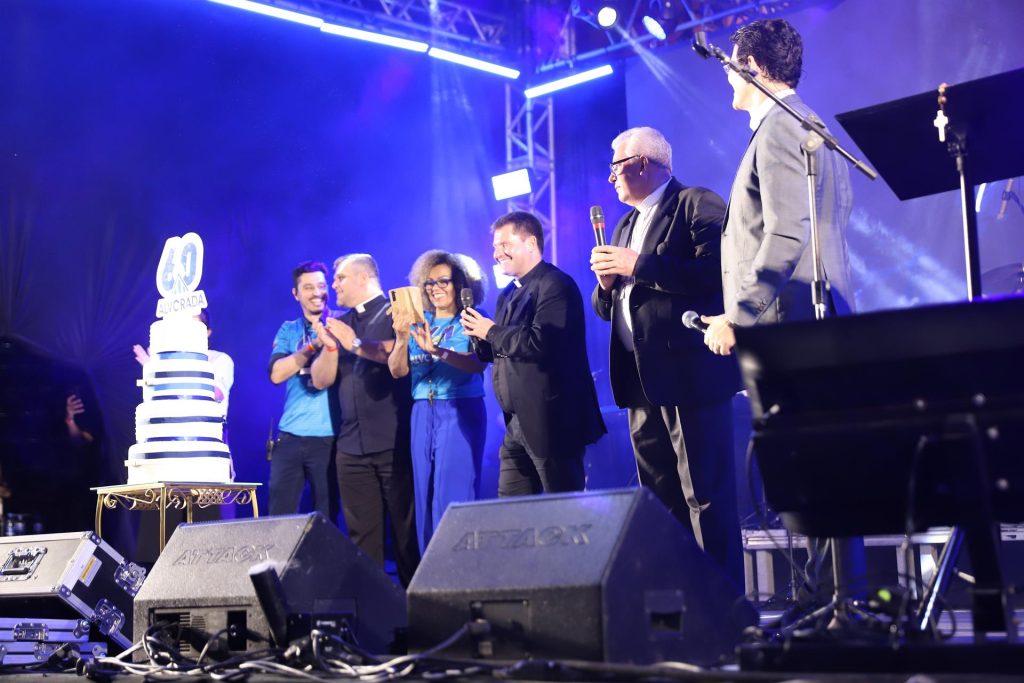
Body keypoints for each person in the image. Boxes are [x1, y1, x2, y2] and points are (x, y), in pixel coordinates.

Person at [701, 18, 862, 612]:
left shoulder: (778, 128)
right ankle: (835, 600)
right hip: (816, 317)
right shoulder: (812, 125)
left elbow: (787, 234)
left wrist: (738, 314)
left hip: (790, 323)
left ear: (753, 67)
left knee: (811, 467)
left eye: (731, 65)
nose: (726, 76)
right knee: (824, 466)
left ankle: (829, 603)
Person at [590, 126, 744, 587]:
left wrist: (638, 265)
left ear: (641, 163)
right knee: (658, 502)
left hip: (689, 376)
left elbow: (716, 274)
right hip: (641, 381)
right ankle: (679, 605)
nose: (611, 178)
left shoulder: (695, 203)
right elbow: (607, 307)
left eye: (615, 167)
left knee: (705, 497)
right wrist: (605, 287)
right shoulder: (624, 224)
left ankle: (723, 607)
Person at [462, 211, 605, 496]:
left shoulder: (556, 285)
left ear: (530, 243)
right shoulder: (507, 294)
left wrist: (491, 331)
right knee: (512, 510)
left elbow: (542, 343)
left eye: (505, 245)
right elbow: (500, 350)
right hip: (516, 424)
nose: (497, 254)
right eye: (494, 247)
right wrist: (479, 337)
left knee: (563, 507)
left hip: (552, 422)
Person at [311, 254, 419, 586]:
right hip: (351, 447)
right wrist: (331, 348)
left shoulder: (394, 311)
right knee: (362, 539)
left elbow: (399, 352)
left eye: (340, 278)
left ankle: (417, 604)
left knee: (405, 533)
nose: (333, 285)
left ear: (363, 278)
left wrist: (354, 343)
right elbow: (320, 380)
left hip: (393, 441)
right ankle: (374, 608)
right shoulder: (341, 322)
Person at [387, 250, 488, 553]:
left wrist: (437, 351)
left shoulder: (471, 318)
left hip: (459, 409)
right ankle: (431, 569)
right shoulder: (421, 321)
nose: (435, 288)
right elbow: (397, 371)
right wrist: (401, 338)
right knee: (424, 494)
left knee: (452, 492)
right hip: (422, 410)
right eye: (429, 283)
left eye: (443, 281)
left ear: (460, 284)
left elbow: (477, 363)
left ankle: (459, 567)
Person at [267, 261, 338, 517]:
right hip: (290, 436)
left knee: (328, 517)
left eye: (321, 285)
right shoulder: (289, 329)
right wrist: (312, 345)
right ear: (296, 294)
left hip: (332, 436)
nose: (317, 292)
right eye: (308, 287)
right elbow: (277, 374)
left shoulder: (342, 322)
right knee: (279, 517)